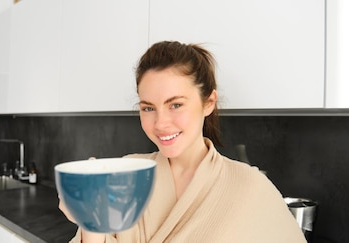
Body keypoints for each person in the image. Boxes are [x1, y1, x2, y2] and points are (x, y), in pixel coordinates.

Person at [59, 41, 305, 242]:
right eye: (148, 108)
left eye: (175, 104)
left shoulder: (251, 187)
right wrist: (88, 219)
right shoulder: (124, 174)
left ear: (208, 103)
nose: (160, 123)